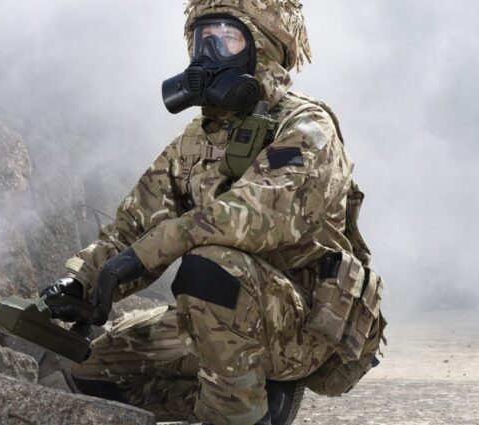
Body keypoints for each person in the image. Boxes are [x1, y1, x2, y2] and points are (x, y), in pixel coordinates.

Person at [40, 1, 386, 424]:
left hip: (303, 323)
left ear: (262, 48)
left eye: (228, 38)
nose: (210, 52)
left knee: (211, 265)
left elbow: (258, 214)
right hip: (222, 318)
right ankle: (254, 400)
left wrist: (152, 250)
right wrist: (82, 281)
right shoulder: (196, 141)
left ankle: (242, 416)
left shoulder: (307, 125)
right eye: (204, 38)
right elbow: (133, 226)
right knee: (85, 367)